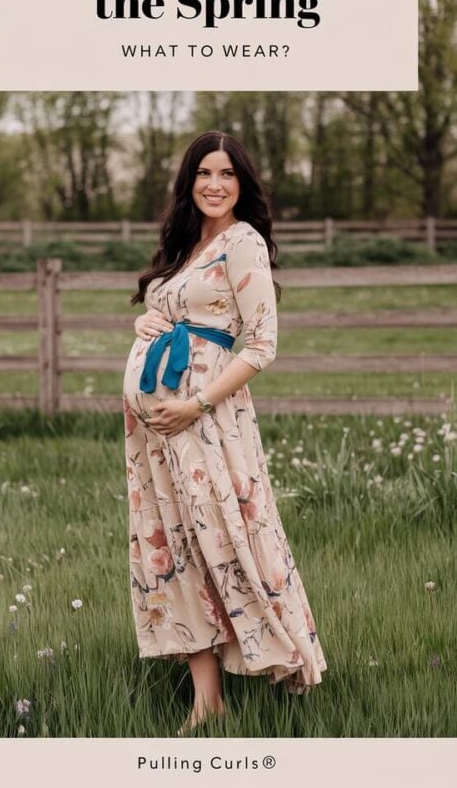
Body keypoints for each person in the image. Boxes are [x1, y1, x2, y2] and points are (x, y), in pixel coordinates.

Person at [123, 130, 327, 736]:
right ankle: (206, 701)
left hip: (207, 422)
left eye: (227, 174)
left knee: (227, 537)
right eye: (204, 173)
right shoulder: (189, 245)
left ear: (243, 184)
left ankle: (286, 658)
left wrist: (195, 405)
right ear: (188, 182)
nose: (214, 184)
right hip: (156, 436)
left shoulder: (244, 243)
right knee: (177, 548)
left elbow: (262, 344)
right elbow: (177, 311)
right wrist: (148, 318)